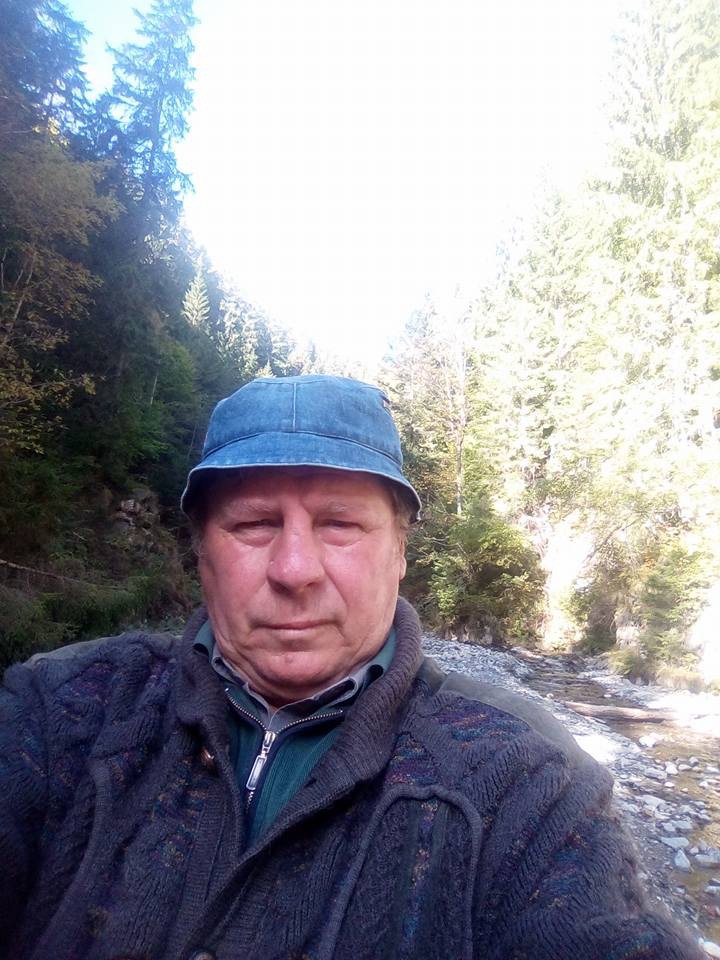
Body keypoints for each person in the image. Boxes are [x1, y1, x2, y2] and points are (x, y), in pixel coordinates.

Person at [0, 375, 702, 960]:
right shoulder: (60, 711)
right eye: (254, 524)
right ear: (201, 552)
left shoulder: (526, 779)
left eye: (339, 524)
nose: (295, 569)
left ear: (399, 552)